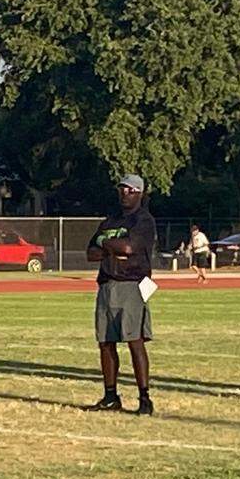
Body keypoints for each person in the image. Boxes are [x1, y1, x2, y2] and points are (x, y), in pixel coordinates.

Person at [84, 174, 156, 415]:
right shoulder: (110, 221)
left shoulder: (143, 221)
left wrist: (108, 246)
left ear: (140, 194)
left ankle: (144, 398)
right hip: (106, 284)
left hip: (131, 285)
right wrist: (110, 247)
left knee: (134, 342)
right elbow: (90, 252)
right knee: (105, 342)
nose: (125, 194)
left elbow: (129, 247)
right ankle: (110, 395)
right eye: (122, 189)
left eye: (131, 190)